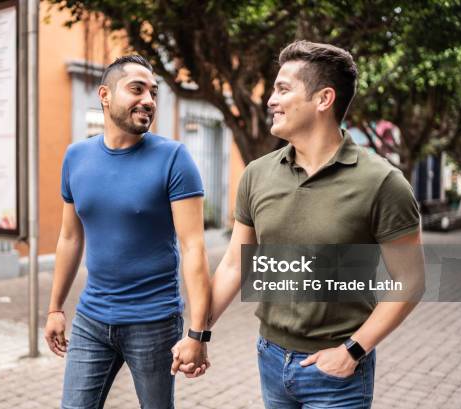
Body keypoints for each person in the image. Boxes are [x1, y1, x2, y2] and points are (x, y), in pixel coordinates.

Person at [172, 40, 424, 408]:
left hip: (338, 372)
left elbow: (411, 280)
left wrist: (353, 351)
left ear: (323, 99)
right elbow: (233, 263)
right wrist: (198, 332)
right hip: (271, 359)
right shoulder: (257, 175)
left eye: (283, 89)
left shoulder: (382, 183)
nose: (271, 100)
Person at [45, 54, 211, 409]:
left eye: (153, 92)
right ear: (104, 95)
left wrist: (198, 333)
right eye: (137, 89)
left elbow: (193, 247)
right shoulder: (76, 157)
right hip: (91, 318)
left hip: (153, 322)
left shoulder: (174, 158)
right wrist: (55, 308)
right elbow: (70, 237)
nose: (148, 100)